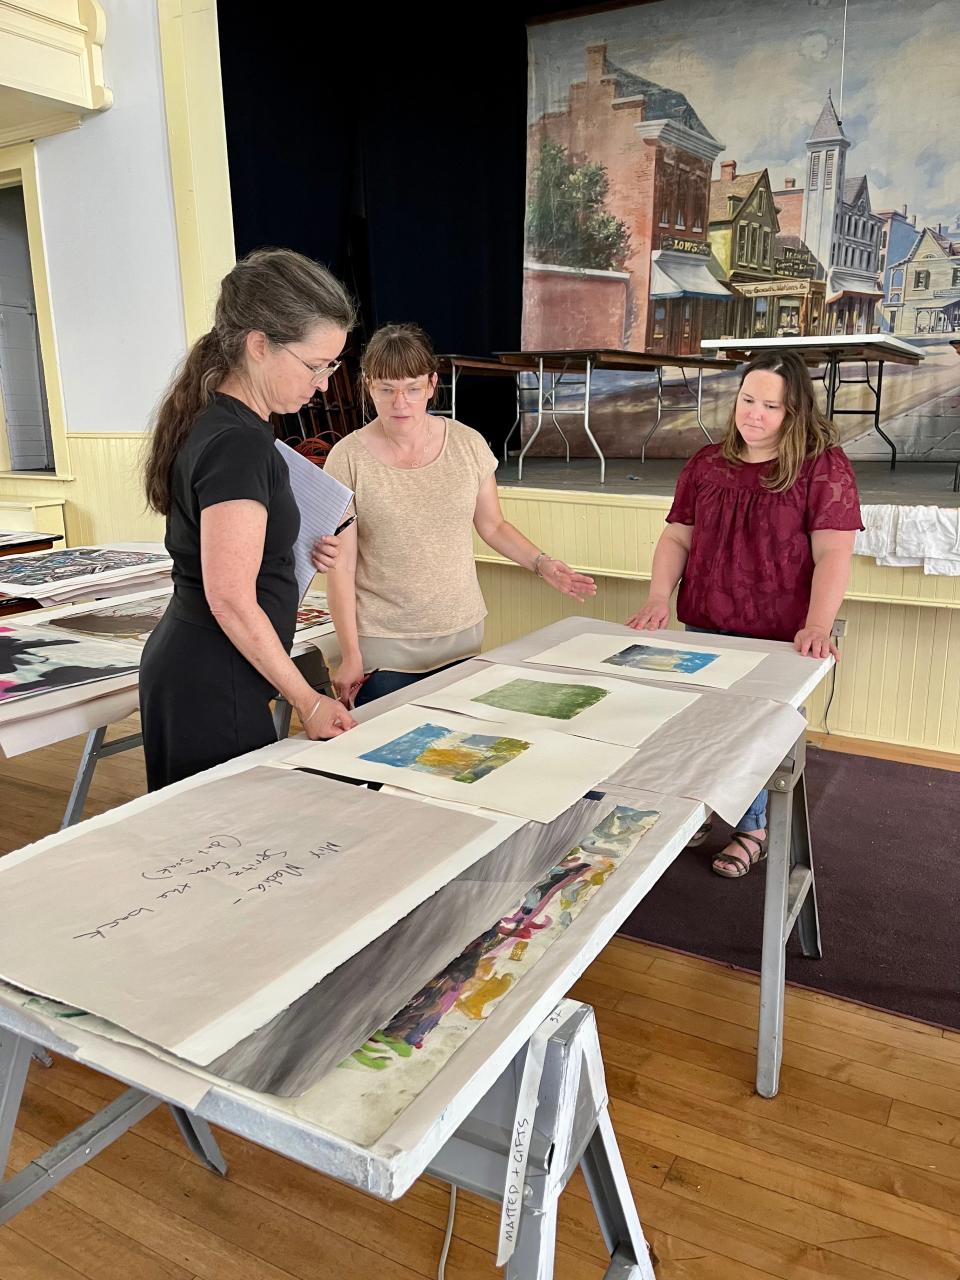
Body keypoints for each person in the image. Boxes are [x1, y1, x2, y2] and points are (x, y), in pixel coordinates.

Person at [626, 350, 862, 878]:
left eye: (770, 406)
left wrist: (819, 624)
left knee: (754, 735)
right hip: (707, 622)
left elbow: (833, 553)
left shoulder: (822, 466)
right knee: (703, 728)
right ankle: (711, 813)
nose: (753, 414)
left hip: (779, 635)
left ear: (795, 411)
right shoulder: (707, 464)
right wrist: (658, 597)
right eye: (747, 400)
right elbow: (676, 538)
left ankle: (753, 829)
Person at [140, 248, 357, 790]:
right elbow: (229, 597)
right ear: (259, 345)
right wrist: (307, 701)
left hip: (210, 668)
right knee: (217, 852)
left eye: (332, 366)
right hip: (214, 678)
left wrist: (291, 548)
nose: (325, 384)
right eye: (314, 365)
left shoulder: (231, 424)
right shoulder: (238, 442)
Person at [322, 323, 596, 707]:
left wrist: (542, 564)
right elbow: (342, 566)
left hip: (462, 636)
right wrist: (351, 655)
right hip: (383, 649)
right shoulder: (347, 459)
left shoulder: (467, 444)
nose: (400, 403)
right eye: (387, 389)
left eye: (413, 388)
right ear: (368, 385)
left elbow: (493, 525)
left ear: (433, 384)